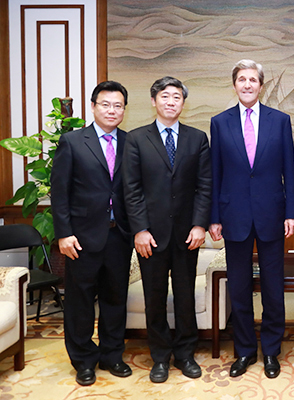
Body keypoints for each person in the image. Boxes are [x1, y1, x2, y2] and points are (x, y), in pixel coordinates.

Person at [209, 59, 294, 379]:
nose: (247, 84)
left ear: (261, 85)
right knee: (239, 287)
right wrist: (214, 217)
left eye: (253, 80)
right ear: (234, 84)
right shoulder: (219, 123)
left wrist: (292, 213)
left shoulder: (280, 121)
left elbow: (289, 170)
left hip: (272, 214)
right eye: (242, 79)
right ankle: (245, 350)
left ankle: (271, 350)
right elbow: (215, 173)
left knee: (274, 287)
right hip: (233, 215)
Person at [123, 76, 211, 383]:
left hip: (187, 234)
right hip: (150, 236)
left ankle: (185, 354)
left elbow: (204, 185)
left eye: (177, 97)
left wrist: (199, 224)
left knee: (185, 296)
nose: (171, 101)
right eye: (165, 96)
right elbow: (131, 189)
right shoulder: (136, 139)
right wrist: (140, 229)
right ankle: (160, 357)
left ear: (183, 103)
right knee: (155, 297)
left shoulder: (197, 138)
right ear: (153, 101)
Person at [51, 81, 132, 386]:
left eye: (118, 105)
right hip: (81, 237)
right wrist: (64, 234)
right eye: (106, 104)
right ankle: (83, 360)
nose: (112, 110)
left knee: (115, 299)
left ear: (124, 110)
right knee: (80, 300)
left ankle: (112, 355)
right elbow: (60, 192)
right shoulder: (72, 142)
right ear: (93, 106)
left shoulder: (130, 142)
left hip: (119, 235)